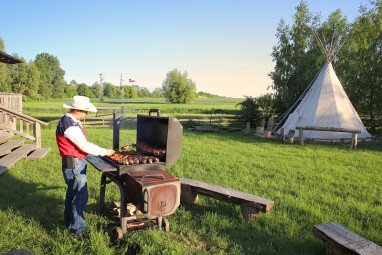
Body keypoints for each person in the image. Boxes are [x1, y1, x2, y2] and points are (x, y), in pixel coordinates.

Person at [56, 96, 114, 237]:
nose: (86, 114)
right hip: (74, 164)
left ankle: (69, 224)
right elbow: (84, 145)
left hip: (73, 162)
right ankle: (77, 232)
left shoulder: (71, 121)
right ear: (77, 110)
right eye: (85, 111)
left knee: (72, 195)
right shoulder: (69, 125)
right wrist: (105, 152)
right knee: (80, 197)